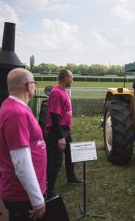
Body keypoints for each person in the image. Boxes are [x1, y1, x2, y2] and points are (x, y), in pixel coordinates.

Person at [0, 68, 46, 221]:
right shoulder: (17, 114)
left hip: (20, 192)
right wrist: (37, 199)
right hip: (23, 196)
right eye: (34, 83)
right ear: (29, 85)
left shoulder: (9, 105)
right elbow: (21, 163)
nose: (35, 87)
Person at [46, 69, 83, 199]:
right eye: (71, 77)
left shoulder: (63, 91)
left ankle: (71, 177)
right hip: (58, 131)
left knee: (70, 154)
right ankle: (48, 191)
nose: (72, 80)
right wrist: (60, 136)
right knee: (56, 162)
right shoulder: (56, 93)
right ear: (66, 78)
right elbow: (55, 116)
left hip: (65, 130)